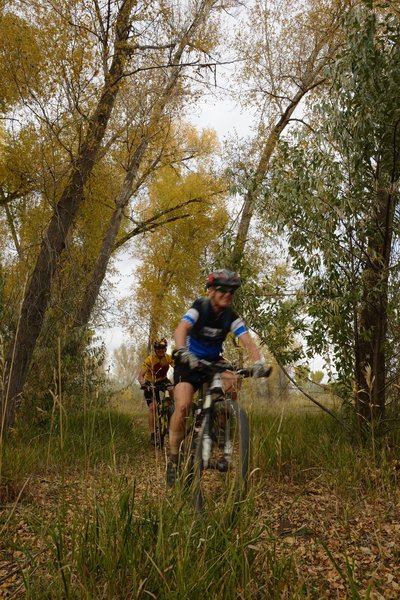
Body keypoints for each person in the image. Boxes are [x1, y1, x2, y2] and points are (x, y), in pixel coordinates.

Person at [167, 269, 268, 486]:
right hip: (189, 361)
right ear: (212, 290)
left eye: (232, 290)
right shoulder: (199, 307)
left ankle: (222, 426)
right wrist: (182, 350)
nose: (228, 294)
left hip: (213, 361)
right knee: (183, 406)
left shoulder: (231, 317)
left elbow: (247, 341)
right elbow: (181, 328)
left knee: (233, 379)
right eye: (223, 289)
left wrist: (258, 362)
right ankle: (174, 458)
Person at [138, 338, 174, 445]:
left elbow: (178, 367)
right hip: (150, 383)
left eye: (163, 348)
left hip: (162, 381)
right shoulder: (150, 359)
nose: (160, 350)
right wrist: (143, 384)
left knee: (172, 389)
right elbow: (140, 376)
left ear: (165, 348)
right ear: (155, 349)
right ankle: (153, 434)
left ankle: (172, 409)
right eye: (158, 348)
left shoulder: (168, 358)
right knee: (153, 407)